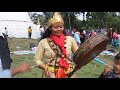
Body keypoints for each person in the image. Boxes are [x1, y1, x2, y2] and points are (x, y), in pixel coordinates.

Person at [34, 12, 79, 78]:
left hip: (69, 73)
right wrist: (46, 68)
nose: (59, 29)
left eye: (61, 27)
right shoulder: (43, 42)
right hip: (50, 75)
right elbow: (37, 59)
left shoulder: (70, 40)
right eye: (56, 27)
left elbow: (79, 55)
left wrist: (78, 65)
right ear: (50, 28)